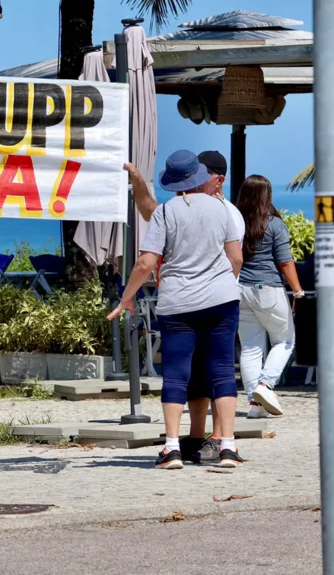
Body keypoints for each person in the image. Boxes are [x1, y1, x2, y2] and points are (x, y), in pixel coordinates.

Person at [111, 150, 243, 470]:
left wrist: (126, 298)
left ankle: (171, 449)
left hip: (178, 303)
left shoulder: (166, 213)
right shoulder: (222, 209)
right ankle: (227, 447)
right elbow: (236, 258)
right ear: (199, 176)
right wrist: (222, 284)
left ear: (173, 182)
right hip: (222, 301)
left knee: (176, 374)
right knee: (224, 371)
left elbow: (145, 263)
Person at [235, 175, 303, 418]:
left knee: (251, 348)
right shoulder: (274, 224)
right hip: (269, 290)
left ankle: (255, 405)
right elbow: (285, 262)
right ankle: (265, 385)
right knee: (285, 341)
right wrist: (297, 290)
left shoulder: (235, 222)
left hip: (240, 290)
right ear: (268, 196)